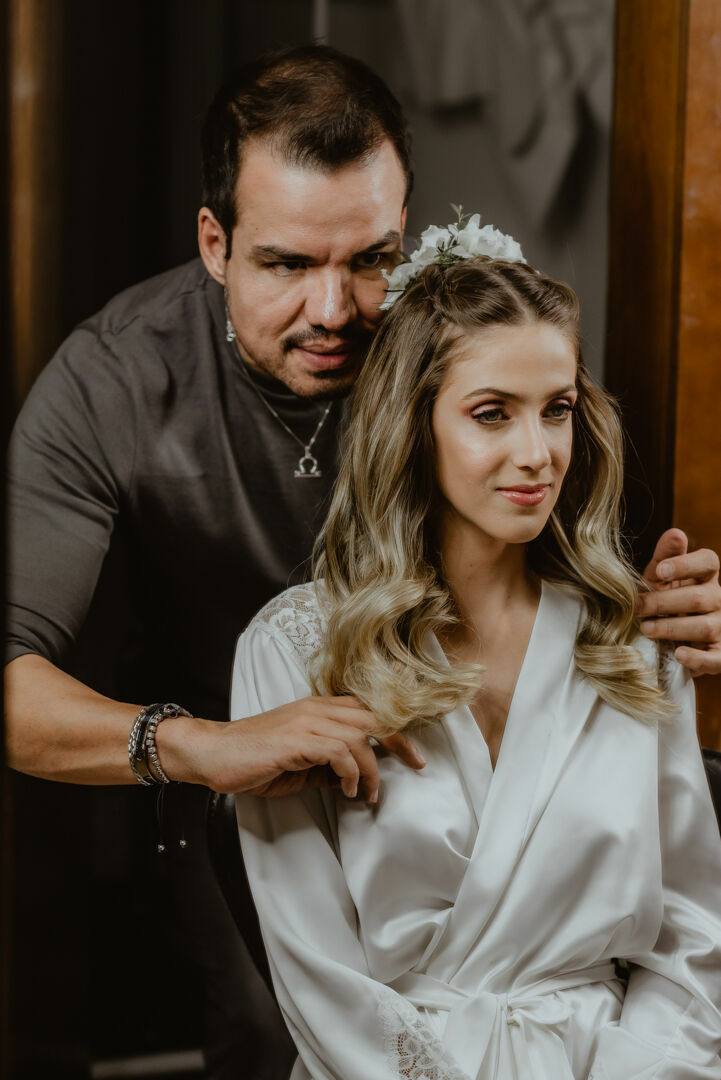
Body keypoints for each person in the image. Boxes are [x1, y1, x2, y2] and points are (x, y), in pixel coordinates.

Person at [4, 45, 721, 1076]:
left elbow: (571, 527)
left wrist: (659, 611)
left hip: (474, 775)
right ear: (215, 242)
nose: (337, 310)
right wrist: (204, 745)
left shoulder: (458, 344)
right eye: (288, 264)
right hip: (242, 764)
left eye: (371, 258)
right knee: (267, 1027)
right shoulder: (112, 381)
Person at [231, 228, 721, 1079]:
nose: (537, 454)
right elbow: (316, 975)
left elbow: (693, 943)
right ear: (412, 424)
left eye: (556, 409)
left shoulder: (631, 645)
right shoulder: (294, 649)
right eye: (491, 413)